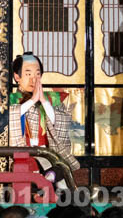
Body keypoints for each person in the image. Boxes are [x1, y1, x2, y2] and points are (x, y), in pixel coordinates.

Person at [8, 53, 81, 185]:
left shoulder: (51, 99)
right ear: (17, 77)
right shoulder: (9, 100)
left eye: (37, 74)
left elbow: (61, 122)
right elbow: (9, 118)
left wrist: (43, 101)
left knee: (62, 168)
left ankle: (49, 182)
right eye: (28, 74)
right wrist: (32, 100)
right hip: (22, 154)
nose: (33, 79)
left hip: (46, 153)